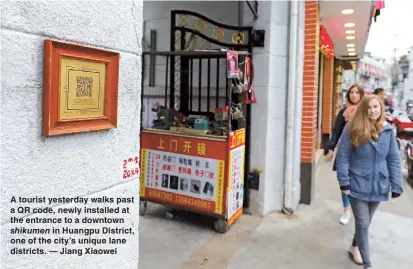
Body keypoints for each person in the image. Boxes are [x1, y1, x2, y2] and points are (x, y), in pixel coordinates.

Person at [336, 95, 403, 269]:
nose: (373, 110)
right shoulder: (352, 128)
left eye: (376, 107)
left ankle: (354, 247)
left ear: (381, 108)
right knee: (363, 223)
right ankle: (368, 264)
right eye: (369, 107)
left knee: (364, 222)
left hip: (379, 185)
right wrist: (344, 181)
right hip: (357, 182)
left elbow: (394, 159)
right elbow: (343, 156)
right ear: (363, 109)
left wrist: (396, 185)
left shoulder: (388, 130)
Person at [326, 84, 365, 226]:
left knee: (358, 181)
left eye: (356, 92)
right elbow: (336, 131)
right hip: (345, 151)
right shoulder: (343, 112)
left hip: (361, 152)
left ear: (361, 94)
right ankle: (346, 210)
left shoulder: (366, 111)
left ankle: (358, 208)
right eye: (351, 92)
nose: (354, 95)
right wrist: (331, 149)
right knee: (344, 180)